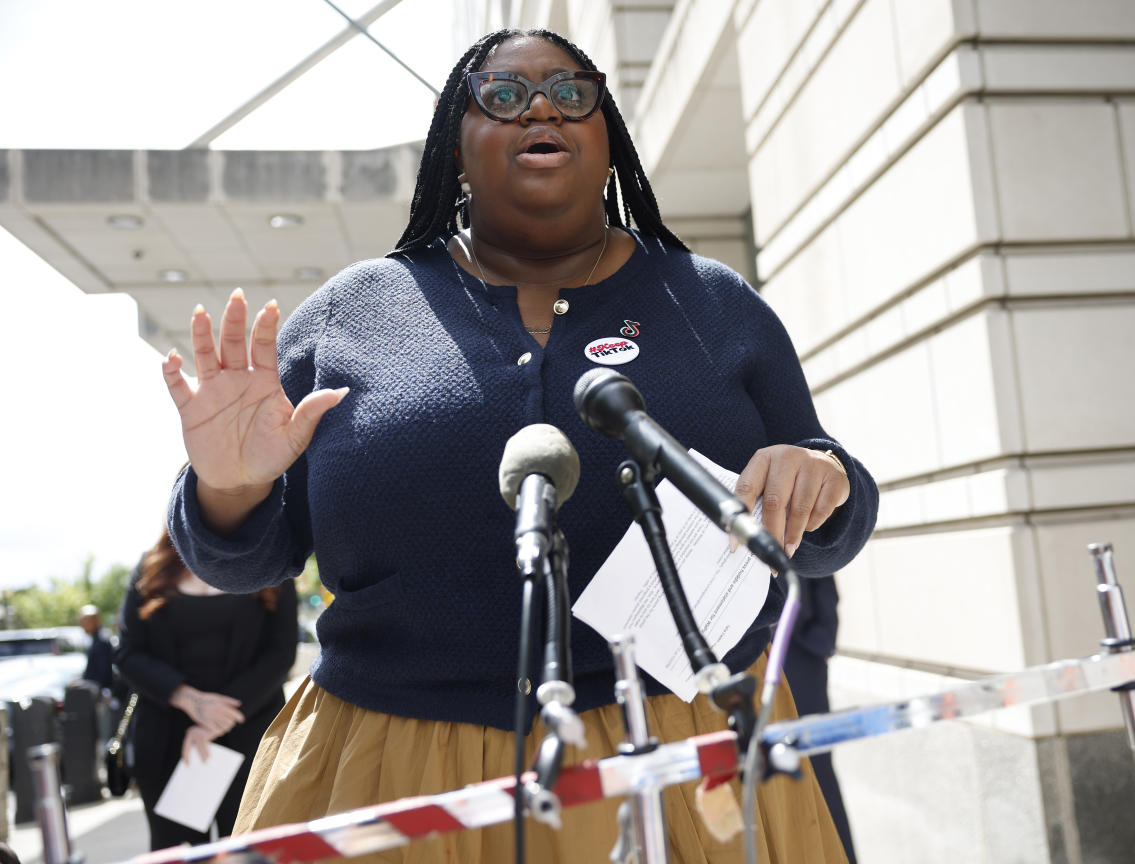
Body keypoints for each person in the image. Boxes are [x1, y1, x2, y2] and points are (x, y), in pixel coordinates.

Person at [163, 27, 878, 863]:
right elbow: (241, 562)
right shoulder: (350, 314)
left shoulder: (715, 303)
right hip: (390, 768)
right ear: (454, 150)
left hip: (688, 756)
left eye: (573, 92)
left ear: (607, 138)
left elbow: (832, 515)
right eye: (502, 95)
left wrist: (822, 478)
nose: (543, 106)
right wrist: (230, 488)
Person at [114, 528, 298, 851]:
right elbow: (127, 654)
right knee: (180, 854)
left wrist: (216, 718)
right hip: (167, 747)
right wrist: (191, 701)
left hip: (249, 739)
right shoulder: (152, 567)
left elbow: (281, 653)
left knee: (248, 853)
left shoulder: (273, 563)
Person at [785, 576, 858, 864]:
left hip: (801, 657)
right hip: (748, 666)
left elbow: (823, 567)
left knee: (818, 773)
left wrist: (822, 637)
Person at [78, 603, 113, 690]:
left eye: (85, 621)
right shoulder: (95, 640)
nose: (82, 624)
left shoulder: (102, 641)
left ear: (96, 621)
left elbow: (103, 676)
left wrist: (84, 683)